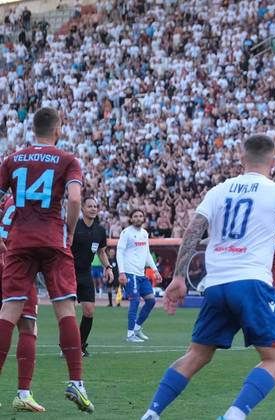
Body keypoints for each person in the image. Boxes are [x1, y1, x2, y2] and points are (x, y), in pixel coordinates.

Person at [141, 134, 275, 420]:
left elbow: (193, 231)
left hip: (216, 285)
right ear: (273, 161)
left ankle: (151, 413)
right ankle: (233, 416)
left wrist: (178, 278)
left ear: (241, 158)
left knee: (196, 355)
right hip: (252, 284)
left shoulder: (219, 190)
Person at [0, 107, 94, 412]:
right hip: (52, 239)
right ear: (58, 129)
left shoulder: (12, 159)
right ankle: (76, 383)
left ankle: (19, 390)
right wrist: (68, 231)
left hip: (19, 241)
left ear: (33, 130)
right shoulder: (67, 160)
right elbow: (76, 199)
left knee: (9, 311)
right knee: (65, 308)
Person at [0, 194, 44, 412]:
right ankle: (24, 393)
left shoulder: (7, 201)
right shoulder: (30, 201)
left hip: (7, 261)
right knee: (27, 325)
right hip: (18, 265)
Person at [70, 197, 113, 357]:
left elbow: (101, 252)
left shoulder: (100, 230)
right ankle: (66, 346)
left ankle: (79, 345)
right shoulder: (74, 226)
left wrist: (108, 267)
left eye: (95, 206)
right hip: (69, 273)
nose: (93, 209)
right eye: (90, 206)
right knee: (69, 312)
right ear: (82, 209)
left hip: (85, 274)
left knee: (89, 311)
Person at [117, 209, 162, 343]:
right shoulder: (126, 233)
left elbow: (147, 254)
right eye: (135, 216)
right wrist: (122, 272)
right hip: (130, 273)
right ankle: (130, 334)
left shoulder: (144, 233)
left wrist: (155, 270)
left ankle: (137, 328)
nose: (138, 218)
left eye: (140, 216)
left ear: (144, 218)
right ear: (131, 219)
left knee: (151, 301)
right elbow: (119, 252)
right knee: (135, 301)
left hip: (141, 274)